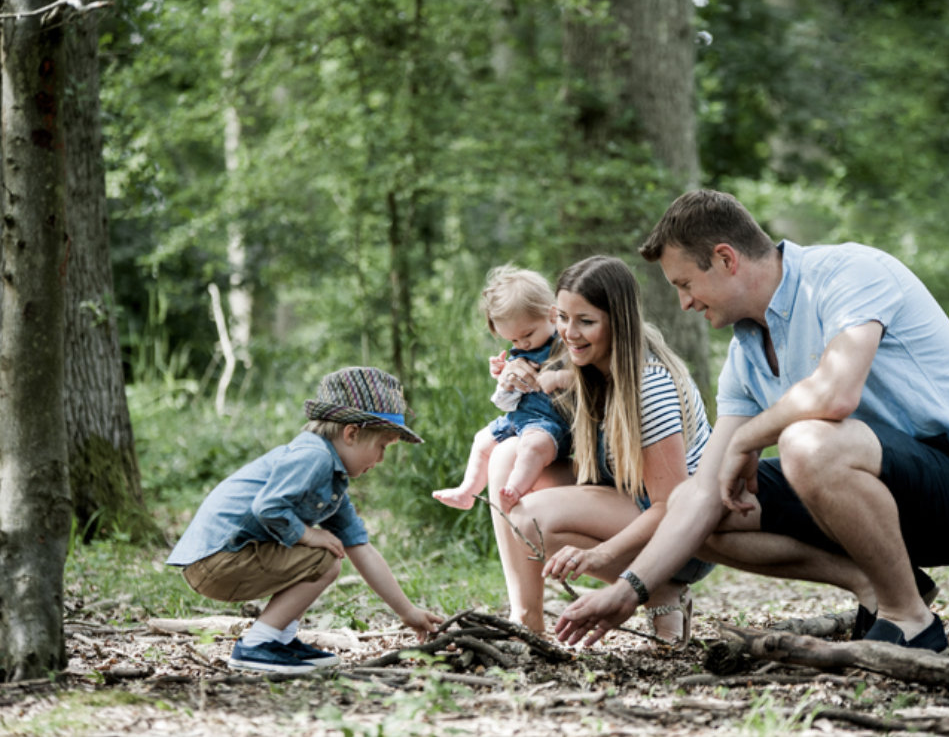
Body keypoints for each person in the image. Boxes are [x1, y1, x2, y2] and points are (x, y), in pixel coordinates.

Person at [554, 190, 949, 653]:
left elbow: (836, 393)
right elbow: (696, 494)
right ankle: (879, 588)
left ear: (725, 259)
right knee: (702, 501)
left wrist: (749, 439)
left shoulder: (848, 273)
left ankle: (910, 622)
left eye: (686, 284)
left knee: (806, 442)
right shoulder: (745, 353)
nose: (684, 303)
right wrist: (630, 589)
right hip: (873, 499)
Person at [488, 256, 714, 642]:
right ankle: (526, 620)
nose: (569, 333)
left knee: (531, 518)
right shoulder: (583, 367)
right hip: (630, 501)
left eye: (586, 321)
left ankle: (660, 588)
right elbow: (534, 431)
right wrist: (517, 381)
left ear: (618, 322)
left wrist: (604, 555)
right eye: (562, 317)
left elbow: (673, 505)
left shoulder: (650, 386)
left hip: (685, 538)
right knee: (507, 456)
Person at [167, 367, 444, 674]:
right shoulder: (314, 456)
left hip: (223, 560)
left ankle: (279, 641)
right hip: (217, 560)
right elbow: (268, 508)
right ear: (351, 433)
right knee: (324, 556)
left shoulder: (331, 476)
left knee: (328, 553)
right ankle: (258, 645)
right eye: (381, 447)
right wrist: (309, 535)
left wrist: (407, 612)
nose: (380, 460)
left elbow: (360, 546)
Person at [432, 264, 573, 514]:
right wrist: (502, 374)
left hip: (551, 426)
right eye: (513, 340)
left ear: (552, 315)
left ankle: (515, 489)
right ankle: (467, 492)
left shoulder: (565, 346)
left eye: (527, 334)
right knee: (482, 441)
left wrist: (559, 377)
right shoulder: (522, 351)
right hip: (518, 418)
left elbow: (583, 377)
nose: (522, 343)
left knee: (532, 447)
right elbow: (507, 397)